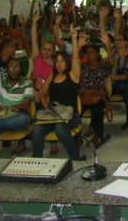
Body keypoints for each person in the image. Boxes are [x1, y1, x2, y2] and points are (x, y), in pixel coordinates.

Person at [31, 27, 87, 161]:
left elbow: (76, 57)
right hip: (53, 113)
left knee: (60, 129)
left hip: (70, 114)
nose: (59, 64)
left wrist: (74, 39)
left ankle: (74, 158)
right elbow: (43, 95)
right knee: (37, 130)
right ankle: (36, 160)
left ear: (67, 63)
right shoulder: (52, 76)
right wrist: (47, 107)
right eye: (57, 61)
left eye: (62, 61)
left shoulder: (73, 75)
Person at [0, 32, 33, 158]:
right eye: (11, 68)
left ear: (21, 70)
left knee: (22, 119)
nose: (14, 71)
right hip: (0, 118)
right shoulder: (2, 79)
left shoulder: (27, 83)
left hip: (15, 117)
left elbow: (24, 106)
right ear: (6, 70)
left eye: (17, 68)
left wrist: (6, 108)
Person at [80, 36, 111, 147]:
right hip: (84, 96)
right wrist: (80, 46)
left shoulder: (102, 67)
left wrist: (106, 45)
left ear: (97, 54)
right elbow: (77, 58)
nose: (89, 55)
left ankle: (98, 135)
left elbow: (111, 62)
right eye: (87, 53)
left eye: (91, 52)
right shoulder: (83, 66)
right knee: (75, 111)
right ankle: (77, 135)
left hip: (99, 96)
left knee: (96, 110)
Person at [109, 32, 128, 134]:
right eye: (116, 40)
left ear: (126, 42)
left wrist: (117, 77)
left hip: (125, 83)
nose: (118, 42)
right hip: (111, 84)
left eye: (120, 40)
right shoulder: (112, 52)